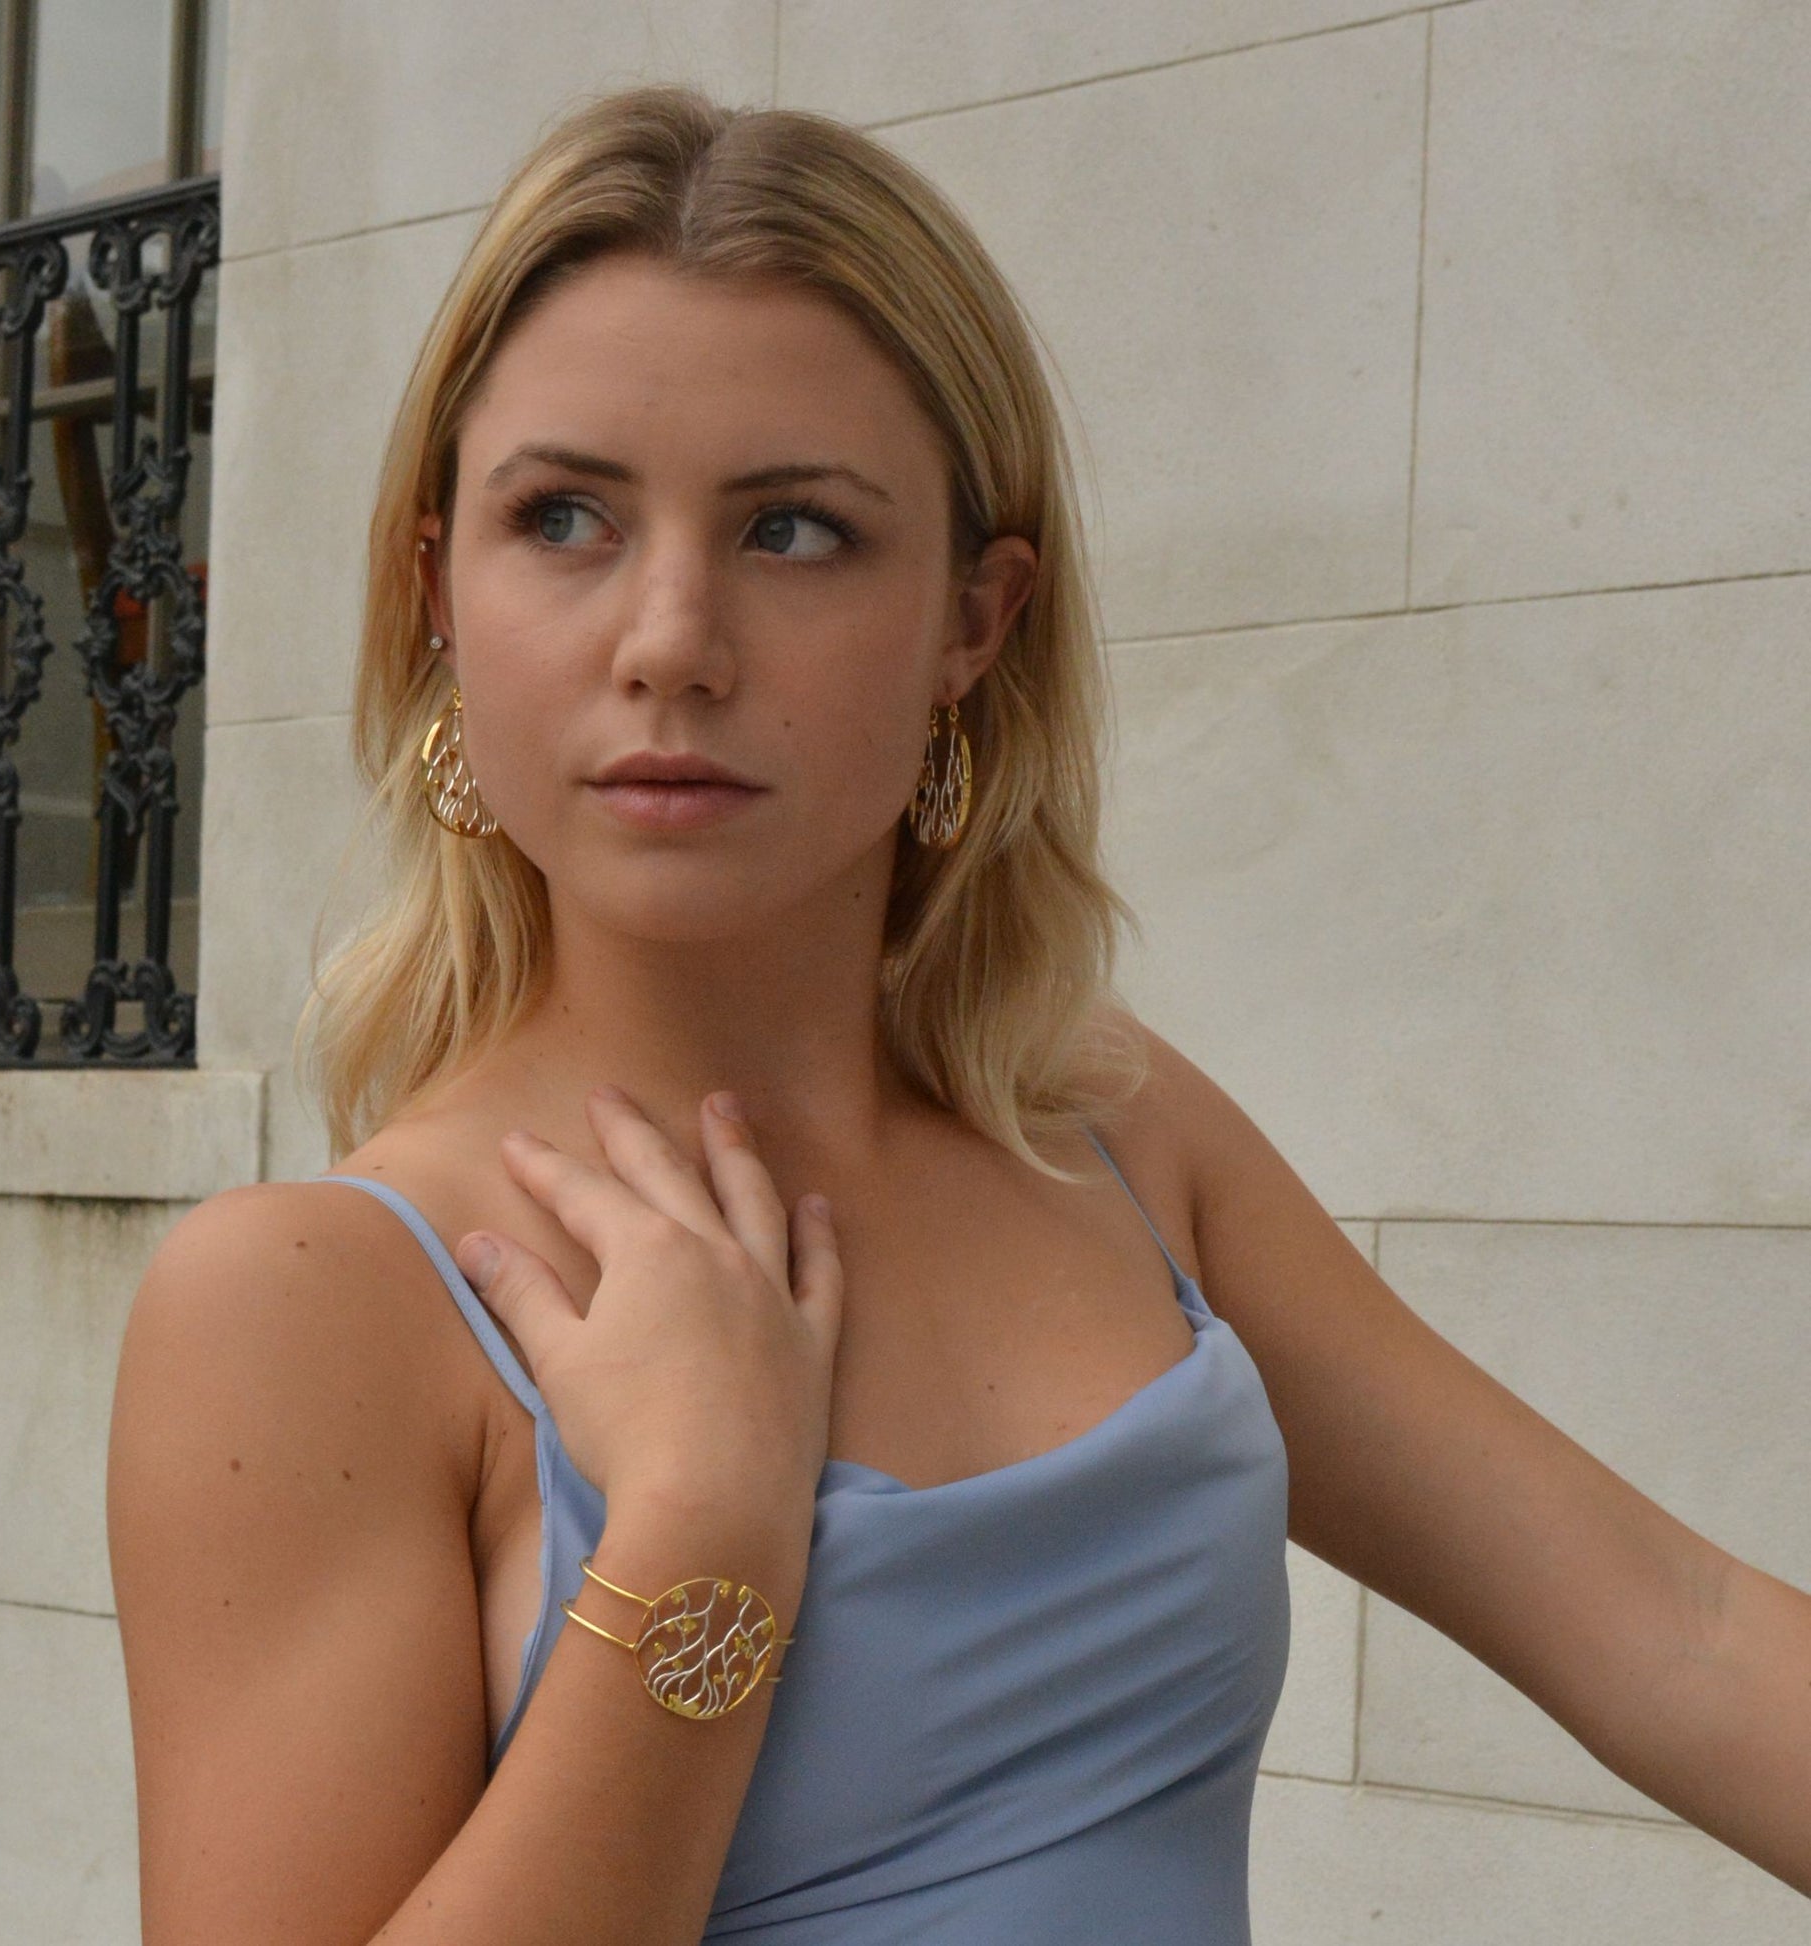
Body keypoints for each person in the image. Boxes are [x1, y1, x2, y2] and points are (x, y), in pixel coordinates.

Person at [105, 84, 1811, 1945]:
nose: (668, 634)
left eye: (796, 532)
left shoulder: (1111, 1132)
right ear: (438, 592)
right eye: (567, 515)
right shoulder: (307, 1302)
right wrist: (697, 1543)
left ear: (973, 625)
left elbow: (1678, 1628)